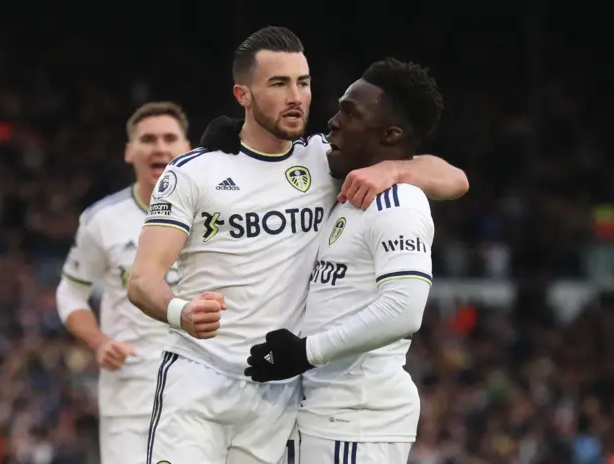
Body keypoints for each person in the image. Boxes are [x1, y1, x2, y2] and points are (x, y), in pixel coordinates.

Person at [127, 27, 468, 464]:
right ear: (243, 95)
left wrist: (395, 171)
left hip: (278, 392)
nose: (297, 96)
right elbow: (141, 280)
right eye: (278, 83)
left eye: (303, 83)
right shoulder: (193, 172)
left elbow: (455, 179)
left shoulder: (324, 160)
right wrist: (181, 312)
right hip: (199, 382)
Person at [244, 59, 443, 463]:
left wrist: (304, 352)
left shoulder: (399, 202)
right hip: (323, 414)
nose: (333, 122)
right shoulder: (349, 198)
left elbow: (404, 310)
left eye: (350, 113)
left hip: (359, 419)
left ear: (391, 135)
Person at [55, 102, 191, 464]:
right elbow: (70, 293)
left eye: (169, 138)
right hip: (130, 397)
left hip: (204, 391)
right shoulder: (103, 220)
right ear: (130, 151)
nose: (159, 147)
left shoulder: (217, 215)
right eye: (147, 139)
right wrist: (99, 342)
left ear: (188, 149)